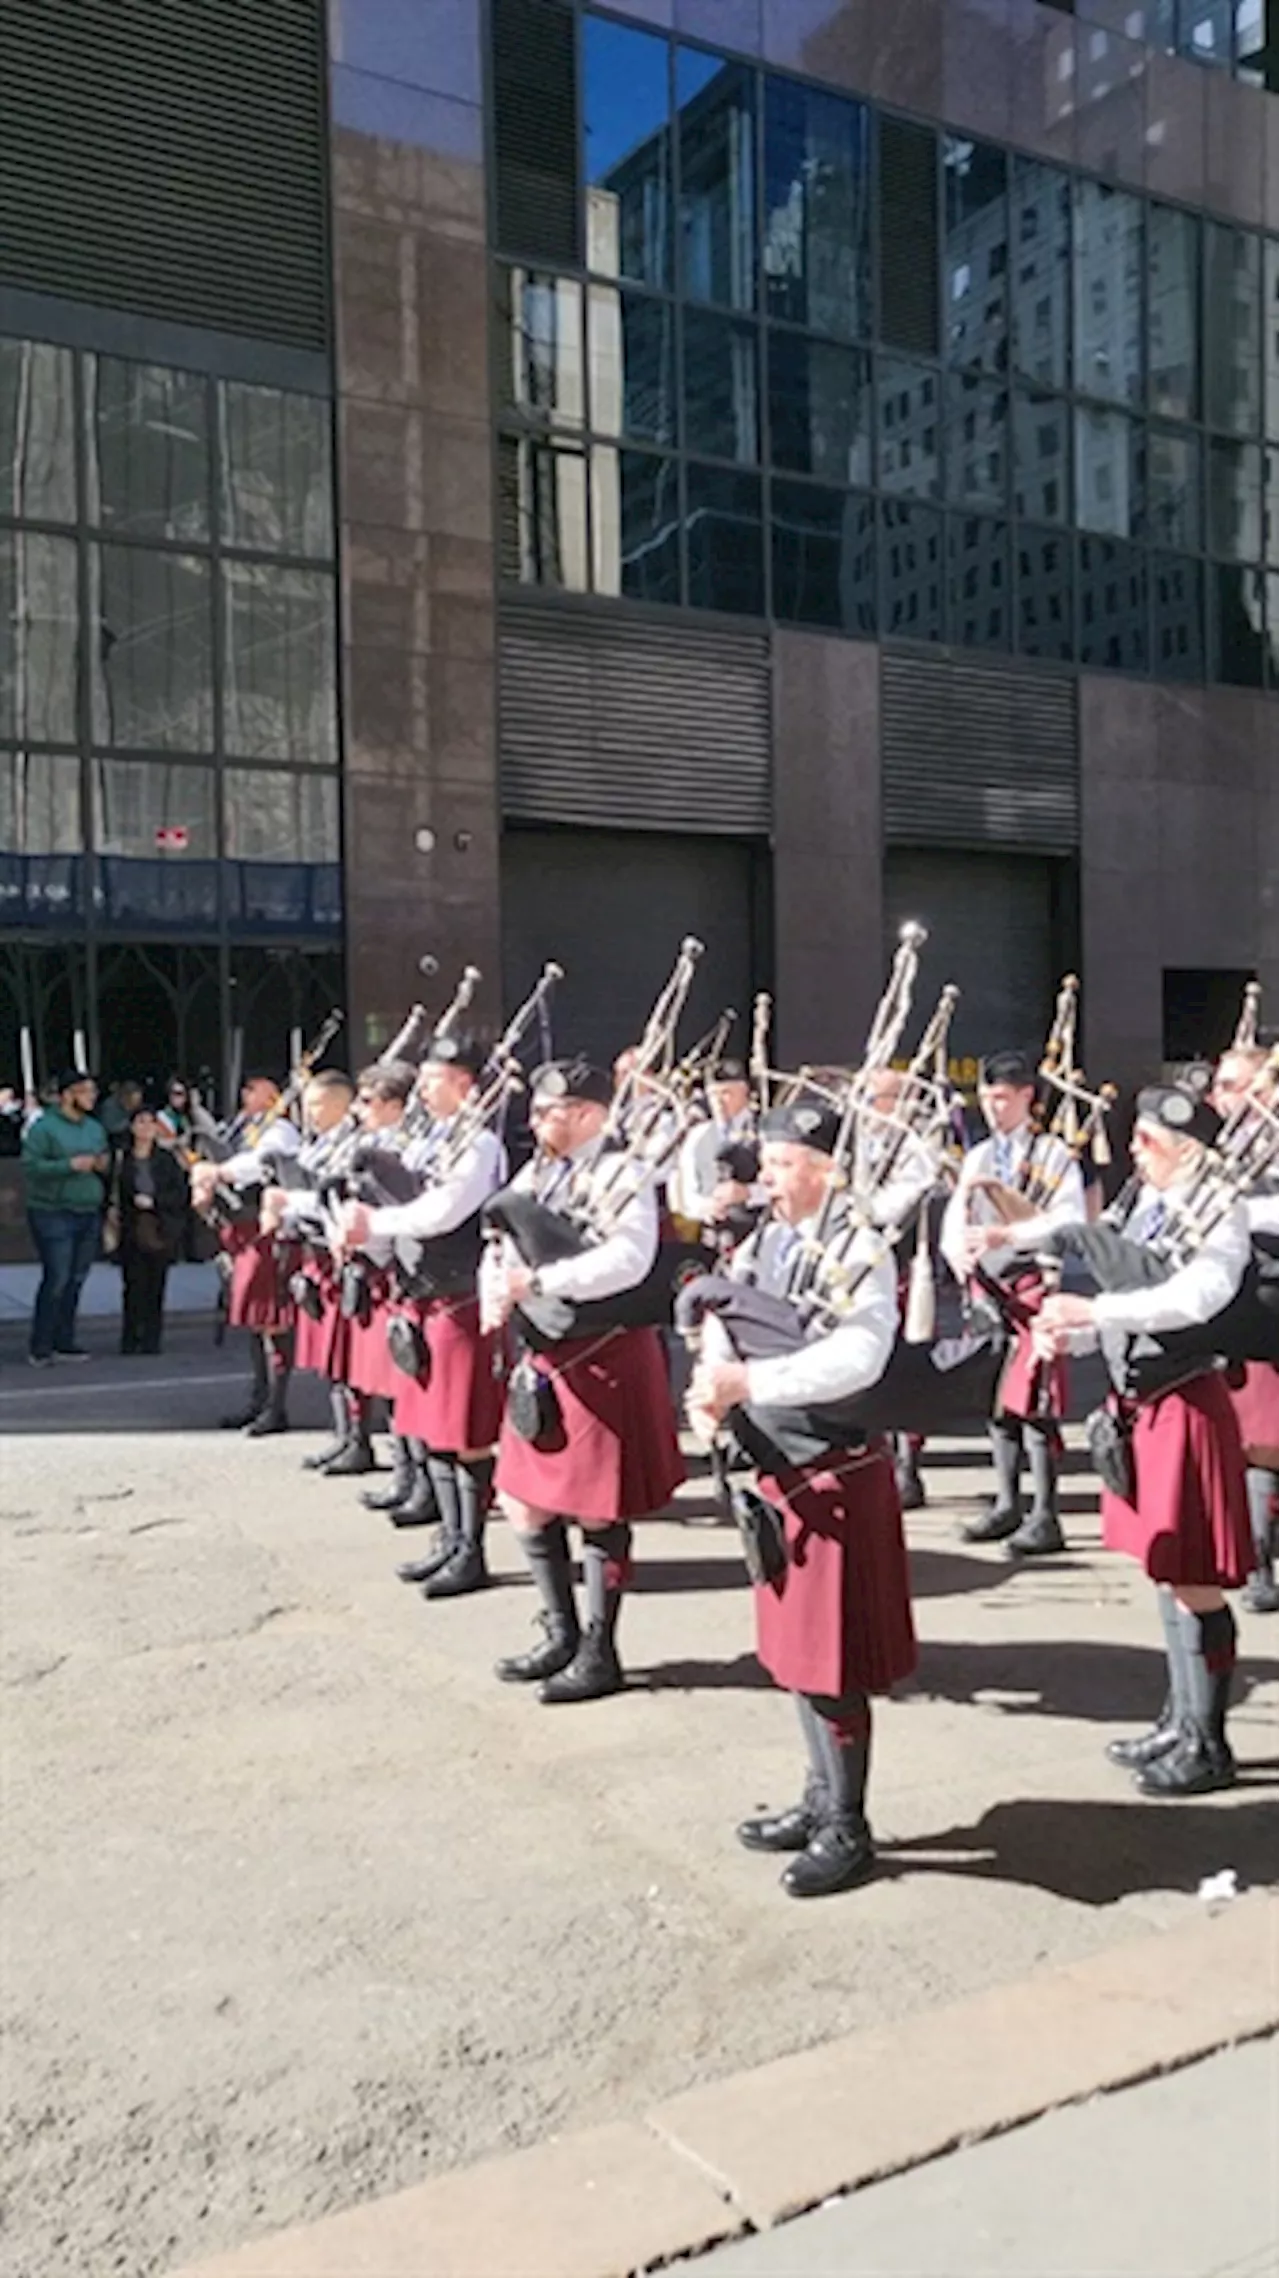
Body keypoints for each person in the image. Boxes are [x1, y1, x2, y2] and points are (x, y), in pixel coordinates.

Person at [689, 1098, 917, 1899]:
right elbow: (727, 1313)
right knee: (794, 1656)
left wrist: (753, 1381)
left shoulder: (862, 1248)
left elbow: (861, 1354)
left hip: (834, 1471)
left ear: (824, 1169)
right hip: (777, 1462)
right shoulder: (770, 1238)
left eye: (784, 1165)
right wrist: (713, 1380)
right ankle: (819, 1798)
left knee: (831, 1662)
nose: (770, 1177)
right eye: (772, 1163)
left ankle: (850, 1827)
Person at [1033, 1086, 1253, 1796]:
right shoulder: (1145, 1204)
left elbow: (1192, 1301)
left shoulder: (1221, 1214)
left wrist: (1091, 1308)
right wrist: (1080, 1328)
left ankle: (1209, 1743)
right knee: (1167, 1569)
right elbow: (1128, 1298)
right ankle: (1180, 1718)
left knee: (1195, 1581)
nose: (1133, 1150)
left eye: (1148, 1141)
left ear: (1188, 1150)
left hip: (1186, 1403)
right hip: (1144, 1406)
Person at [481, 1056, 685, 1704]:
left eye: (552, 1110)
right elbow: (501, 1242)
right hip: (544, 1352)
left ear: (591, 1113)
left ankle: (600, 1650)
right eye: (537, 1109)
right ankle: (560, 1631)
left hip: (604, 1354)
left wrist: (540, 1282)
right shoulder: (536, 1172)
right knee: (523, 1499)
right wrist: (497, 1289)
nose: (538, 1119)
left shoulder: (624, 1172)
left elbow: (628, 1260)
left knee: (599, 1511)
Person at [339, 1033, 506, 1599]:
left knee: (464, 1435)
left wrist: (372, 1225)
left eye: (434, 1079)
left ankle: (472, 1550)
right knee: (431, 1430)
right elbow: (395, 1197)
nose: (423, 1088)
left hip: (457, 1300)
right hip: (420, 1297)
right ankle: (448, 1540)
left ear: (465, 1084)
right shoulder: (431, 1139)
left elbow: (441, 1212)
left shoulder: (479, 1145)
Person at [940, 1049, 1084, 1559]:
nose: (993, 1107)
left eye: (1003, 1098)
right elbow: (957, 1213)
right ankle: (1007, 1502)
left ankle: (1046, 1514)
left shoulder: (1055, 1156)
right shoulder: (980, 1156)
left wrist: (1010, 1232)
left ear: (1028, 1096)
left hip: (1033, 1285)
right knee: (997, 1399)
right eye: (987, 1097)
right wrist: (958, 1252)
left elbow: (1068, 1220)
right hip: (989, 1288)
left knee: (1037, 1401)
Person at [1210, 1042, 1280, 1615]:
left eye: (1234, 1085)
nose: (1221, 1097)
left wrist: (1236, 1214)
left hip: (1273, 1303)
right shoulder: (1228, 1148)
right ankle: (1259, 1564)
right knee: (1255, 1446)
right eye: (1220, 1086)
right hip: (1241, 1314)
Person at [191, 1073, 299, 1434]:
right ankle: (259, 1399)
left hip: (263, 1230)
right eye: (246, 1087)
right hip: (238, 1228)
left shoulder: (280, 1129)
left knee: (272, 1320)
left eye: (256, 1087)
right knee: (256, 1323)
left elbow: (259, 1163)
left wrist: (217, 1172)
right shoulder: (240, 1126)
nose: (246, 1093)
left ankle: (276, 1406)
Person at [21, 1070, 109, 1366]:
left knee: (76, 1278)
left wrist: (101, 1164)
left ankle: (64, 1339)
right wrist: (68, 1165)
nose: (92, 1097)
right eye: (86, 1092)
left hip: (88, 1209)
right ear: (69, 1094)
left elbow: (104, 1158)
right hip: (52, 1211)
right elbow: (31, 1167)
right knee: (57, 1276)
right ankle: (41, 1344)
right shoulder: (44, 1127)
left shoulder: (95, 1128)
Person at [116, 1105, 190, 1354]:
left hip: (160, 1227)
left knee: (156, 1285)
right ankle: (130, 1337)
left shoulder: (166, 1159)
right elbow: (114, 1193)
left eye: (151, 1122)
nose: (146, 1127)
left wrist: (155, 1201)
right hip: (131, 1227)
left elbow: (180, 1194)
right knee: (133, 1285)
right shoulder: (122, 1158)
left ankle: (151, 1338)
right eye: (140, 1122)